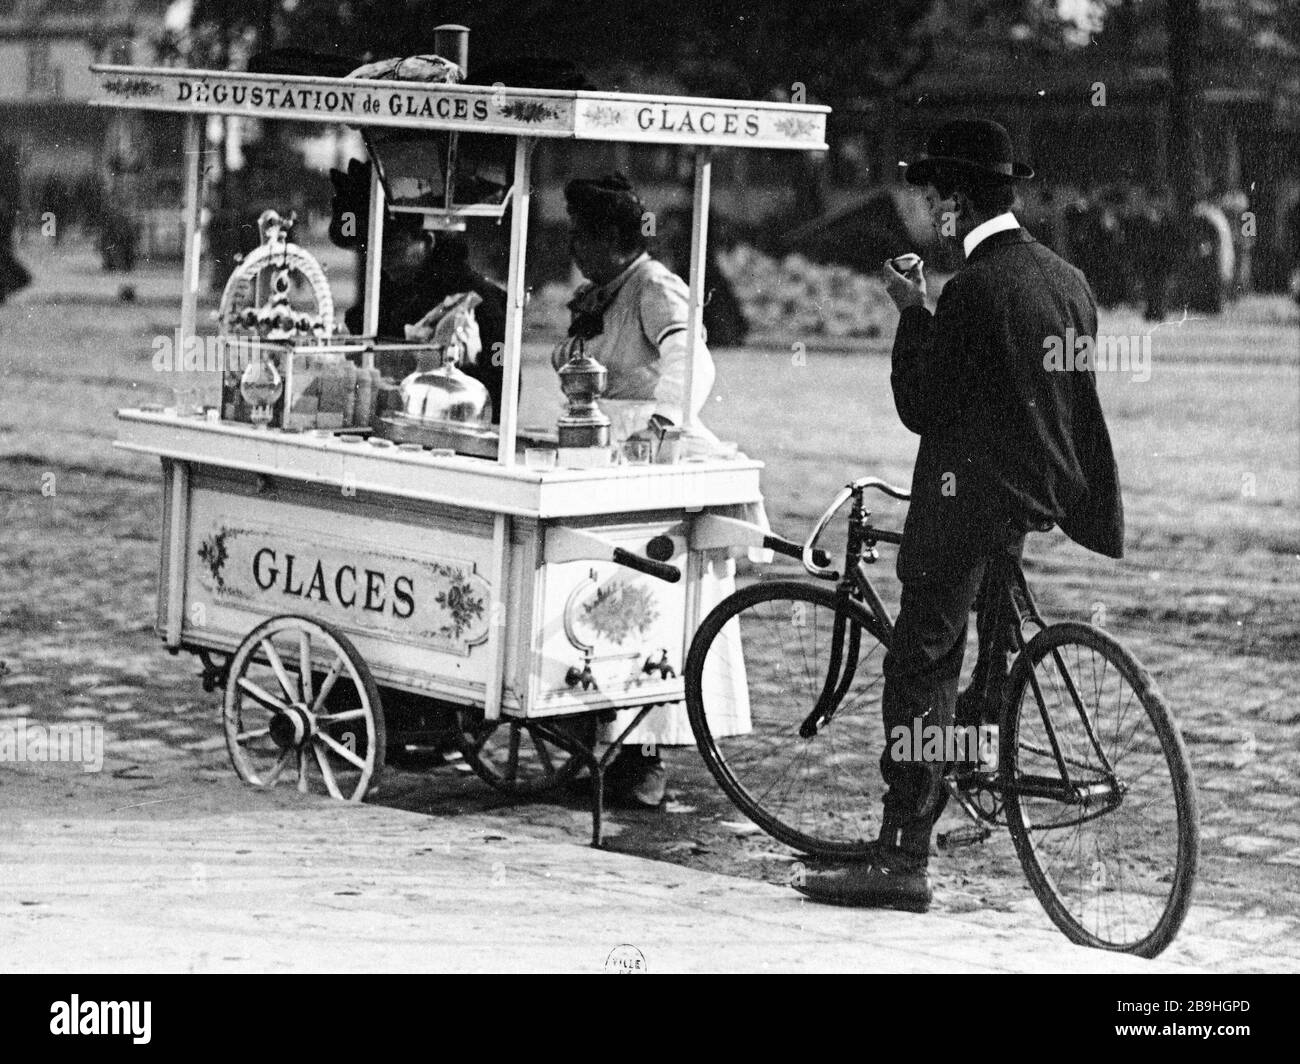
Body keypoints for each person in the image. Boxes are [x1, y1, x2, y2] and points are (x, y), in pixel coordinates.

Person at [793, 118, 1124, 911]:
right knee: (986, 644)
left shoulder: (974, 288)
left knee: (922, 662)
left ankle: (902, 854)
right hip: (1040, 492)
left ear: (955, 203)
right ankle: (976, 753)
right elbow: (1059, 396)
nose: (926, 212)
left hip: (967, 500)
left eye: (932, 198)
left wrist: (913, 311)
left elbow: (924, 407)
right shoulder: (1065, 278)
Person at [552, 173, 727, 806]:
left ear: (613, 238)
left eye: (583, 235)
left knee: (642, 595)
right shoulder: (600, 293)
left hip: (642, 452)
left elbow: (693, 364)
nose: (574, 247)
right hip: (595, 449)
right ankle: (585, 723)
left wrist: (661, 423)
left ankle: (644, 752)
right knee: (585, 587)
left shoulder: (652, 287)